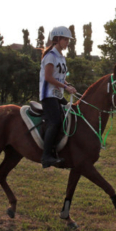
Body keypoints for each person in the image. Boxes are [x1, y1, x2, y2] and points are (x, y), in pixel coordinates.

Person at [39, 26, 77, 168]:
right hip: (48, 95)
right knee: (54, 122)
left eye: (68, 40)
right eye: (66, 39)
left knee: (71, 114)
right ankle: (46, 156)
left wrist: (68, 85)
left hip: (57, 94)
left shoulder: (61, 57)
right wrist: (66, 87)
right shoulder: (50, 56)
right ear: (57, 39)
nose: (68, 42)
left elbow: (59, 78)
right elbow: (49, 77)